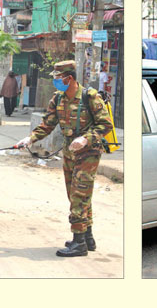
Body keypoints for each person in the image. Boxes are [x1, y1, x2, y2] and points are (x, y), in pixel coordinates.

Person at [15, 60, 113, 257]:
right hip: (69, 153)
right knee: (77, 194)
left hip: (88, 152)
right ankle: (87, 236)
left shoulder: (90, 96)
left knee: (79, 194)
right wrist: (30, 138)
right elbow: (47, 124)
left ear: (69, 78)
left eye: (58, 78)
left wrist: (86, 138)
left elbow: (106, 124)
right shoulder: (58, 99)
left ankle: (78, 243)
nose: (56, 82)